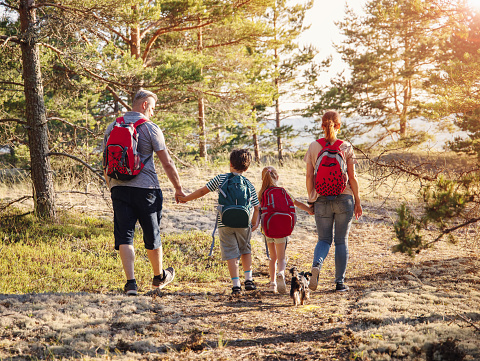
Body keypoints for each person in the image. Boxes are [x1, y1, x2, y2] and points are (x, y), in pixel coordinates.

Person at [102, 89, 185, 296]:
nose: (153, 113)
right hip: (147, 190)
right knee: (152, 234)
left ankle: (131, 284)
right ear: (145, 105)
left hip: (119, 188)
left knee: (125, 236)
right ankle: (159, 277)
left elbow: (105, 163)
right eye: (153, 108)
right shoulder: (150, 128)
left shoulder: (112, 126)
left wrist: (112, 186)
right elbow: (167, 162)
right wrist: (178, 188)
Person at [178, 149, 260, 295]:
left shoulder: (221, 179)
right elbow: (256, 206)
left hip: (225, 222)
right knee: (245, 249)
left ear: (230, 164)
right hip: (244, 223)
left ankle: (236, 285)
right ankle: (248, 280)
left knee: (230, 252)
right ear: (247, 168)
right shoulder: (248, 184)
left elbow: (203, 191)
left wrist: (185, 198)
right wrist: (254, 222)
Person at [304, 110, 362, 292]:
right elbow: (352, 178)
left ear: (322, 126)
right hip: (344, 199)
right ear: (339, 126)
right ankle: (340, 283)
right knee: (341, 241)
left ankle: (317, 266)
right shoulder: (346, 147)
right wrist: (358, 202)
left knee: (323, 240)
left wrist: (312, 199)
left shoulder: (314, 146)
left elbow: (308, 176)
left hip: (321, 198)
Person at [257, 166, 314, 294]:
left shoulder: (261, 193)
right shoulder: (284, 191)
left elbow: (258, 210)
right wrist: (310, 210)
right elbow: (297, 203)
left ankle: (272, 284)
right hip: (282, 228)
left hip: (267, 229)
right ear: (277, 177)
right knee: (281, 258)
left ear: (262, 179)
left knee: (272, 258)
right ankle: (281, 273)